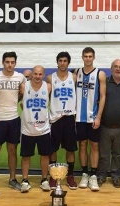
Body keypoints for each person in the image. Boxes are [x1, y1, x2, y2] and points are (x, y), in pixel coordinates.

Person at [0, 52, 26, 190]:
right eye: (7, 62)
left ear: (15, 63)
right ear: (3, 62)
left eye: (12, 62)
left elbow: (22, 94)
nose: (10, 65)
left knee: (12, 150)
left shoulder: (20, 77)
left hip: (14, 119)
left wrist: (17, 100)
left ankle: (12, 178)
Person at [75, 47, 106, 191]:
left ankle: (93, 176)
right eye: (85, 56)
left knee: (94, 146)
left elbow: (103, 97)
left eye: (90, 56)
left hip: (93, 117)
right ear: (82, 57)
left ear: (94, 58)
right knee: (82, 145)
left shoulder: (100, 74)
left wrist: (99, 116)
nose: (88, 58)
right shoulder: (76, 73)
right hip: (79, 118)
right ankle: (84, 173)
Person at [47, 52, 78, 190]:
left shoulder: (75, 77)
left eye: (65, 61)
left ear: (68, 63)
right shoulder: (50, 78)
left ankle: (70, 176)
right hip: (55, 119)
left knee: (70, 150)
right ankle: (53, 176)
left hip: (70, 118)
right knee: (52, 149)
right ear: (57, 62)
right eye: (60, 60)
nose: (63, 63)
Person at [97, 59, 120, 188]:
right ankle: (101, 176)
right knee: (104, 155)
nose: (118, 69)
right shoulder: (104, 83)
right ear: (111, 68)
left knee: (118, 154)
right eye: (115, 66)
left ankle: (116, 177)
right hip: (105, 127)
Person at [19, 65, 52, 193]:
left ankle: (44, 179)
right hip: (27, 129)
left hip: (44, 129)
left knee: (44, 155)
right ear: (32, 74)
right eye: (35, 74)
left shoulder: (48, 87)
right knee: (26, 156)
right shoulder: (24, 87)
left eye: (40, 74)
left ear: (43, 75)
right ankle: (25, 180)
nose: (37, 76)